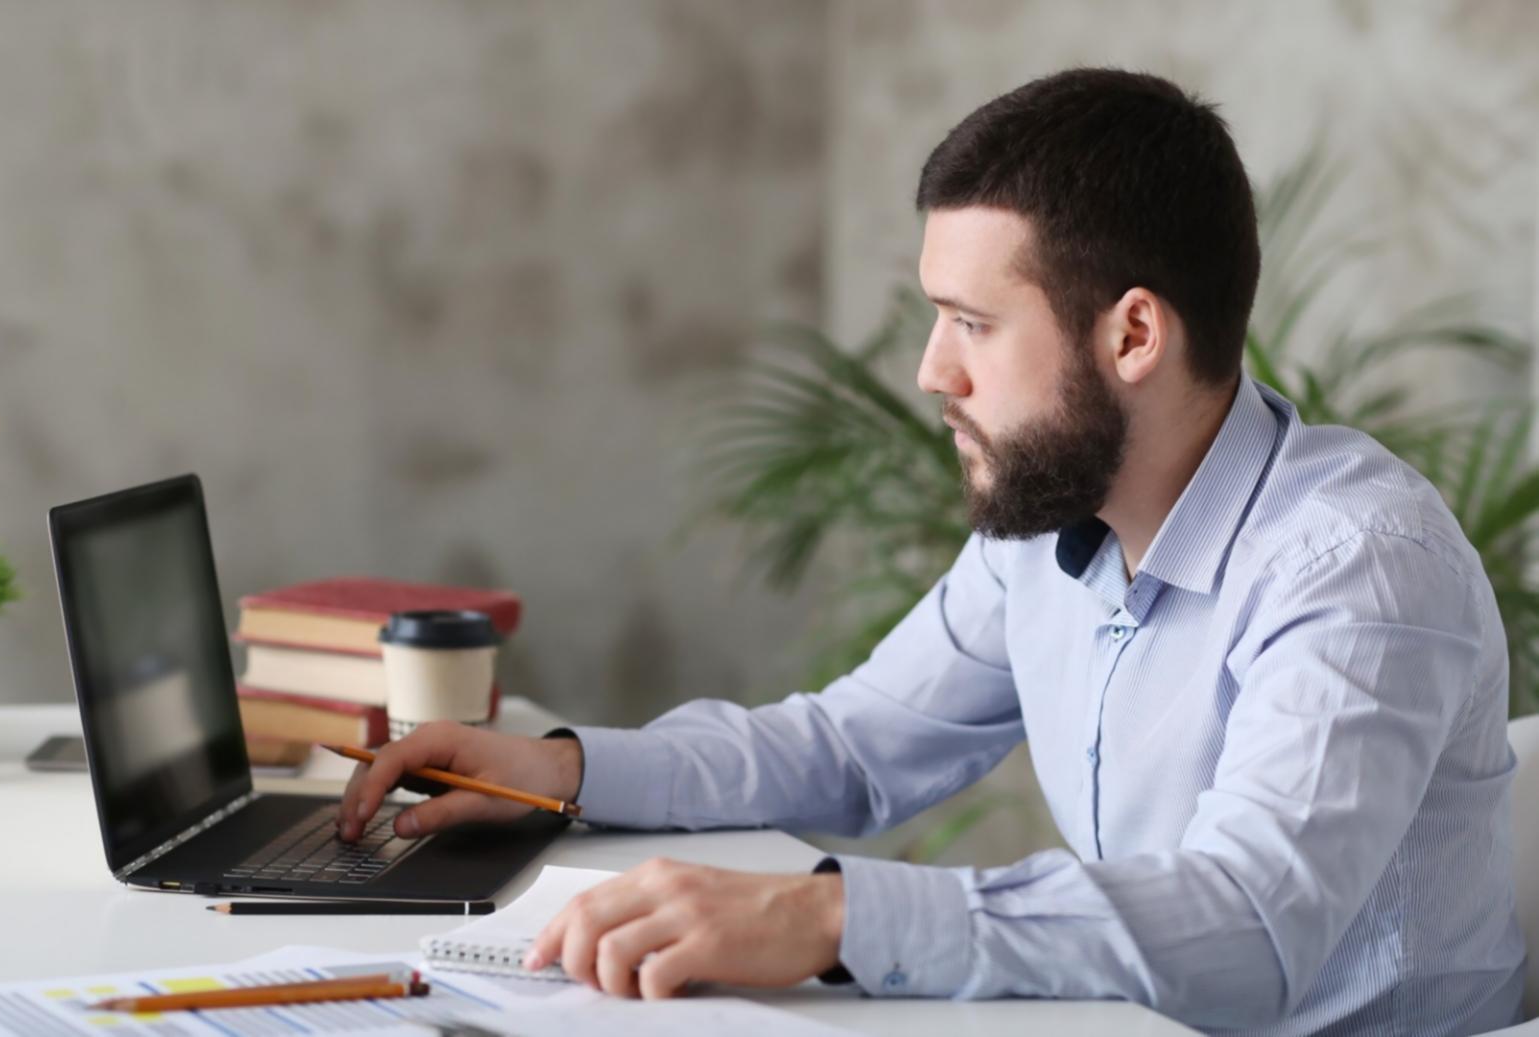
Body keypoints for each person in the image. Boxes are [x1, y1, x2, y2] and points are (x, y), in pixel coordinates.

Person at [336, 68, 1525, 1035]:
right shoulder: (1059, 515)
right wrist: (556, 771)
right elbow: (854, 742)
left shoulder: (1357, 564)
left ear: (1132, 334)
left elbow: (1253, 927)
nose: (931, 372)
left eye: (972, 322)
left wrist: (829, 918)